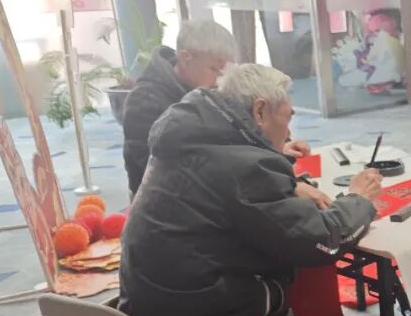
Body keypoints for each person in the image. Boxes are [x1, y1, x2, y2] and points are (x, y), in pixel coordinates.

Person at [119, 63, 383, 316]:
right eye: (287, 117)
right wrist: (358, 200)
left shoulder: (184, 139)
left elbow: (222, 198)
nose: (289, 132)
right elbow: (321, 241)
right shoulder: (243, 167)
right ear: (259, 111)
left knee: (284, 305)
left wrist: (287, 183)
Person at [122, 20, 311, 196]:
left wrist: (276, 145)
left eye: (226, 71)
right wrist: (282, 185)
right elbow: (176, 172)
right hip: (170, 200)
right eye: (216, 69)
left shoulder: (209, 90)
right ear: (185, 58)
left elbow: (240, 133)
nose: (221, 79)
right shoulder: (145, 102)